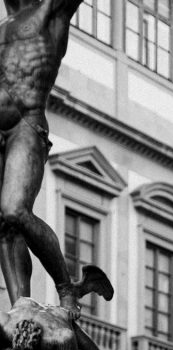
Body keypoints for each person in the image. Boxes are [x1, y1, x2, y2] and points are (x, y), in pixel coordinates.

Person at [0, 1, 113, 312]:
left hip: (27, 124)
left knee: (14, 210)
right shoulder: (4, 23)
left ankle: (67, 287)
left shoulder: (50, 11)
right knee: (5, 227)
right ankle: (19, 308)